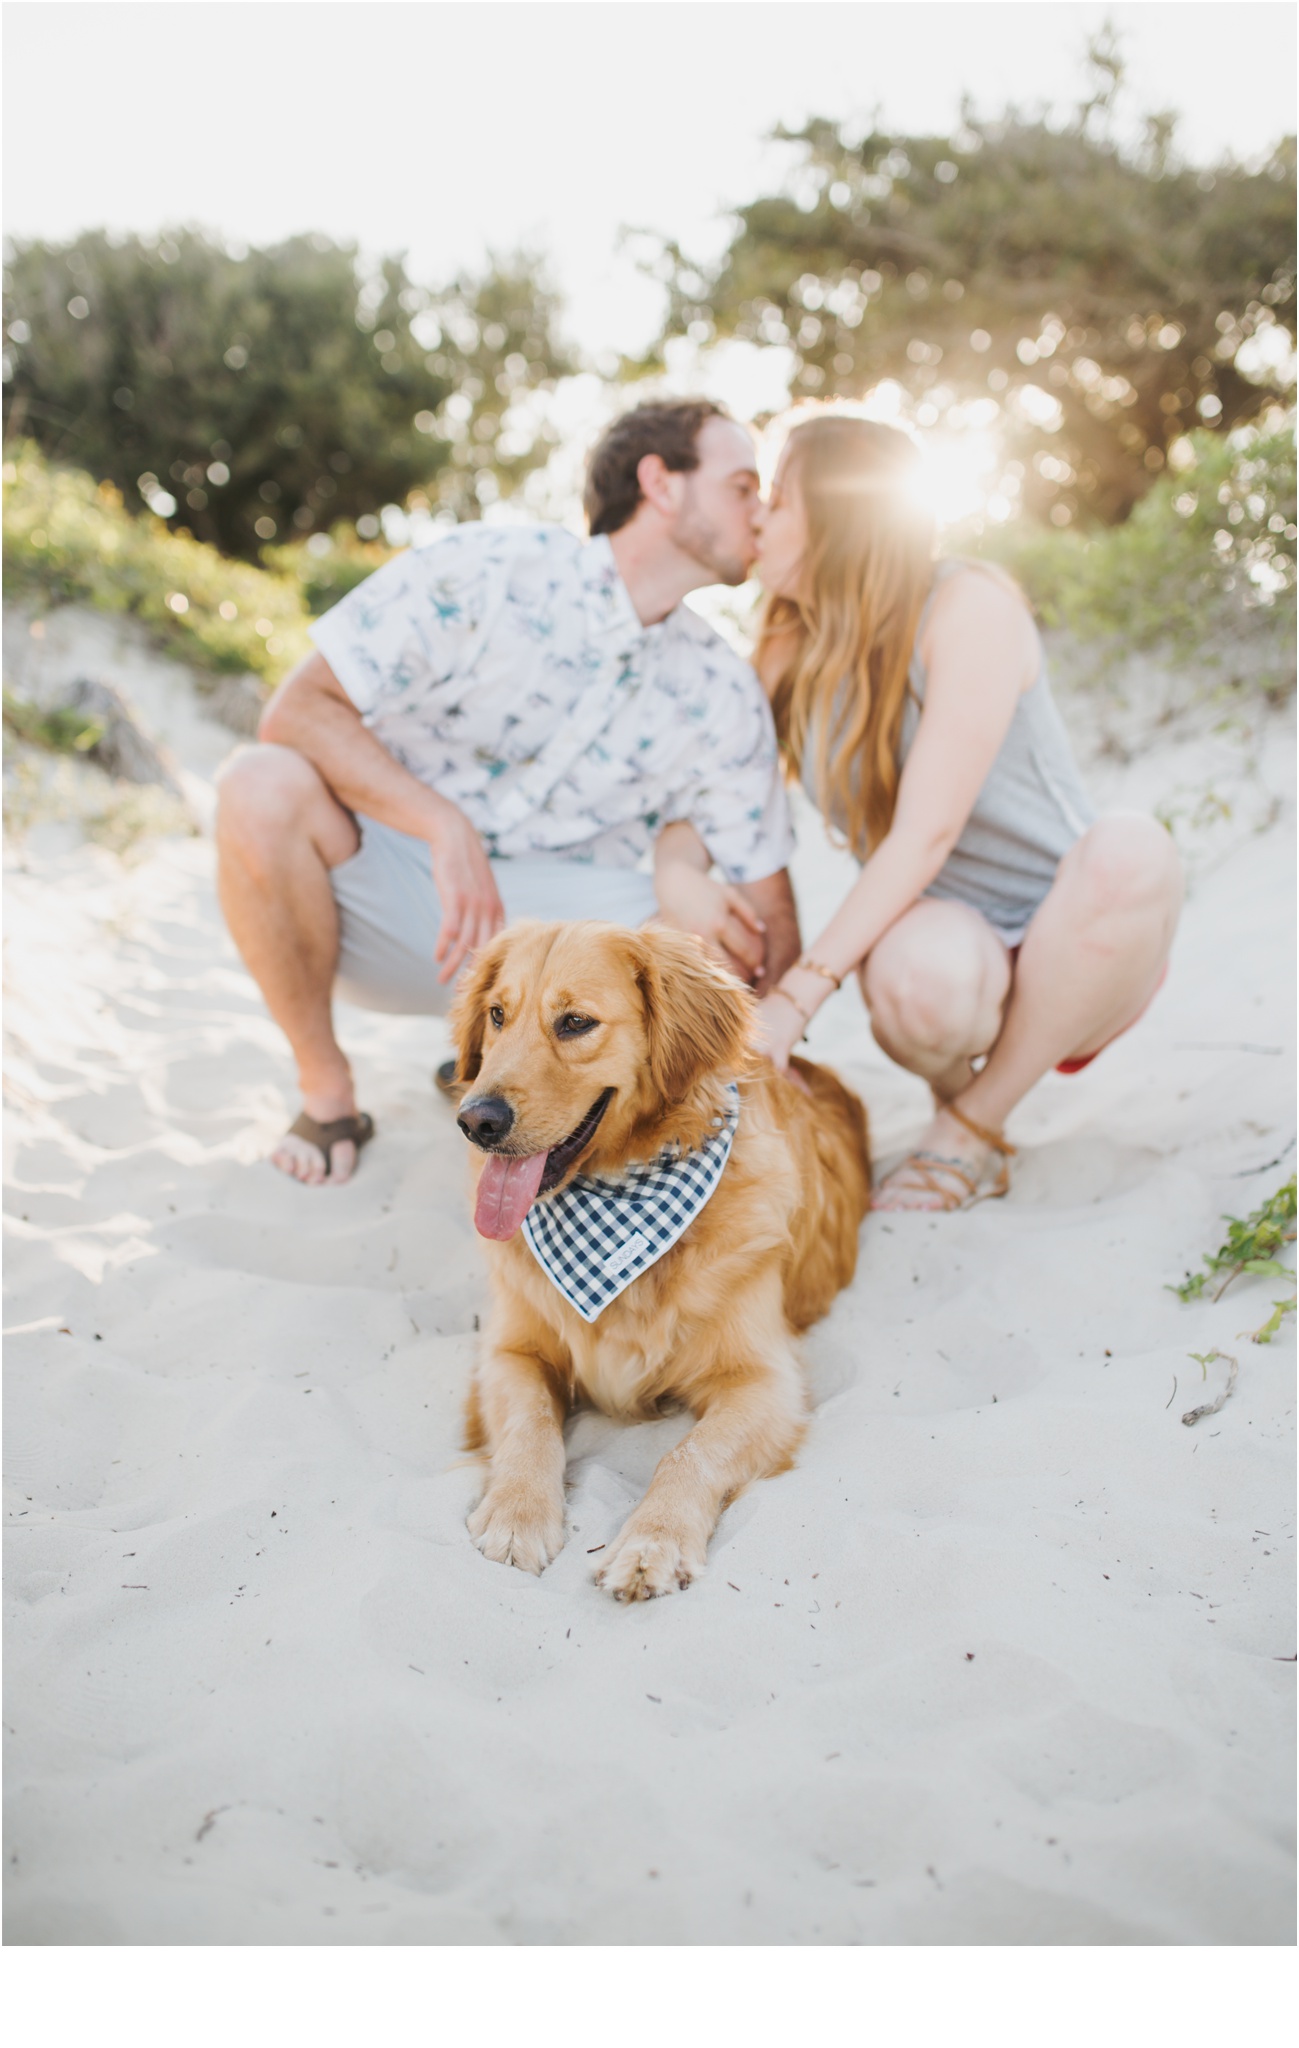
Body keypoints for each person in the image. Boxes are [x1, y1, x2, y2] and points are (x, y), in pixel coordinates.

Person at [215, 399, 801, 1187]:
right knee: (256, 784)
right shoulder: (486, 570)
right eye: (741, 485)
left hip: (569, 946)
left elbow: (771, 925)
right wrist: (439, 824)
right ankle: (328, 1096)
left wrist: (681, 878)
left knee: (714, 938)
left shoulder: (721, 688)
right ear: (661, 484)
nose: (760, 510)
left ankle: (527, 1082)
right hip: (391, 895)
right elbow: (295, 711)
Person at [740, 408, 1183, 1211]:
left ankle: (972, 1125)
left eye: (776, 495)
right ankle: (963, 1104)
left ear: (841, 514)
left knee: (1132, 848)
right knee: (922, 987)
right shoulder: (784, 647)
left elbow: (924, 835)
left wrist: (793, 1003)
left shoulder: (963, 603)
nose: (757, 515)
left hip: (1074, 934)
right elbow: (727, 800)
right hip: (945, 938)